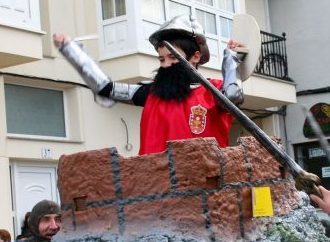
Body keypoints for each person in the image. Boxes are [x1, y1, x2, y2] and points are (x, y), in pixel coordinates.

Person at [53, 15, 246, 155]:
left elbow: (232, 96)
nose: (166, 65)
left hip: (204, 188)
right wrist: (72, 51)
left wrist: (231, 60)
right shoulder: (152, 92)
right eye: (161, 59)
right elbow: (105, 88)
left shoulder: (213, 91)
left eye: (173, 57)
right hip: (153, 187)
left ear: (195, 56)